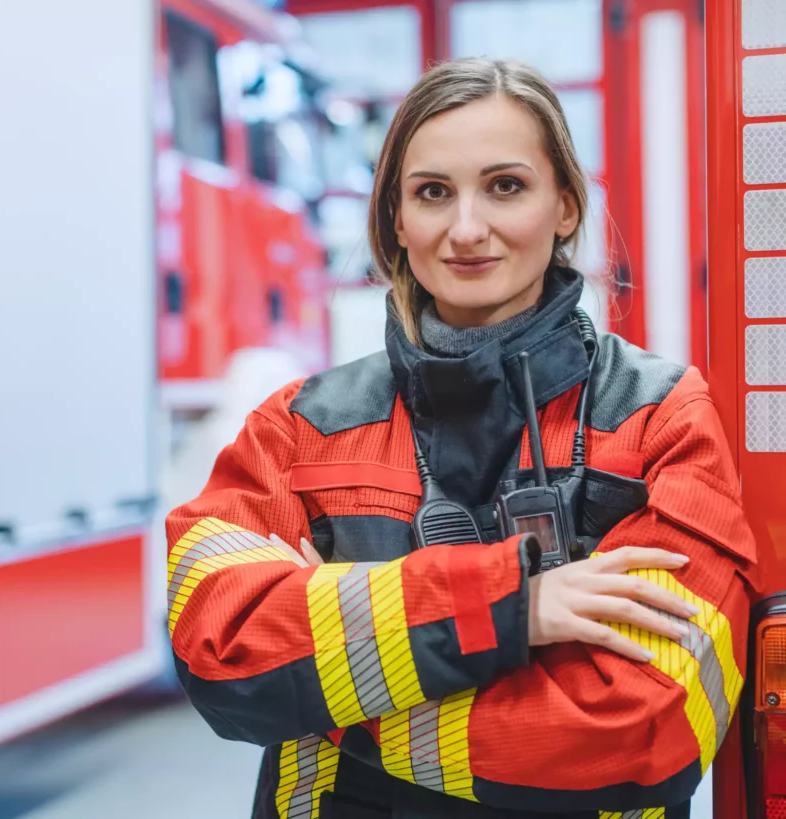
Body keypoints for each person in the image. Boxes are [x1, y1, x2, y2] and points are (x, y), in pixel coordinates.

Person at [165, 58, 759, 819]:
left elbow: (644, 726)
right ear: (396, 220)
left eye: (506, 186)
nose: (467, 228)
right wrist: (516, 607)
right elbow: (224, 652)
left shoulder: (659, 415)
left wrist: (331, 684)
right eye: (433, 193)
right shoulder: (299, 426)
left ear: (566, 207)